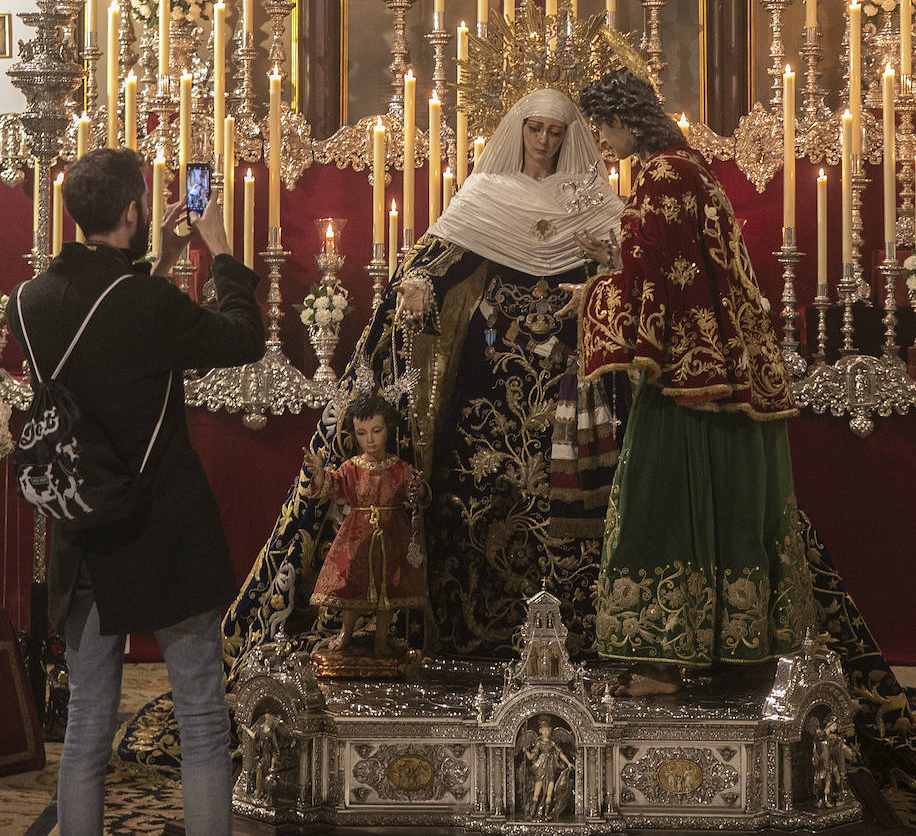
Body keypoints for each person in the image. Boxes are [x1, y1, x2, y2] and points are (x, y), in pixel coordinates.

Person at [221, 89, 623, 674]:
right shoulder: (487, 195)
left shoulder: (587, 201)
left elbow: (620, 267)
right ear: (519, 131)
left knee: (575, 497)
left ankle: (582, 630)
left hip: (569, 375)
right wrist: (415, 285)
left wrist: (605, 272)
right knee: (484, 494)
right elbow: (436, 259)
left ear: (569, 139)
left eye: (554, 132)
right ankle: (479, 630)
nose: (543, 142)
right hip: (491, 378)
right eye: (534, 129)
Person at [7, 148, 264, 836]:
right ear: (131, 211)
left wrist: (158, 257)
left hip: (85, 529)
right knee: (202, 717)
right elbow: (244, 338)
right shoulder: (148, 304)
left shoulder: (27, 301)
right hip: (165, 526)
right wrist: (222, 254)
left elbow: (103, 336)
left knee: (89, 722)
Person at [560, 69, 815, 697]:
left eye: (605, 129)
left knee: (659, 502)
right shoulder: (690, 166)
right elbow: (677, 265)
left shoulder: (662, 176)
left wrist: (591, 295)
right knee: (731, 503)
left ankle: (662, 662)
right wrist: (614, 256)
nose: (606, 142)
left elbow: (659, 285)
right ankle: (737, 650)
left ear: (624, 120)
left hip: (687, 377)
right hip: (727, 367)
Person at [304, 391, 428, 656]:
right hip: (357, 536)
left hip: (393, 535)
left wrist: (417, 487)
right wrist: (319, 475)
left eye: (376, 431)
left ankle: (381, 639)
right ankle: (346, 632)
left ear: (389, 430)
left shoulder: (399, 467)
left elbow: (416, 495)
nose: (370, 440)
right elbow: (332, 486)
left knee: (389, 591)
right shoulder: (351, 467)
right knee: (352, 588)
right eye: (362, 433)